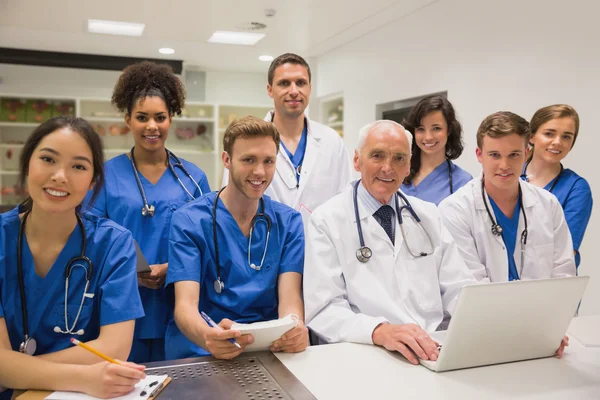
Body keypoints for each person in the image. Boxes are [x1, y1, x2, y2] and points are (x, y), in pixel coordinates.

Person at [304, 120, 479, 365]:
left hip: (429, 348)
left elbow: (459, 287)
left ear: (409, 166)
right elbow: (323, 309)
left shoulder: (428, 215)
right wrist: (379, 331)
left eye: (399, 158)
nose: (388, 168)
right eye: (377, 156)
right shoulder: (327, 220)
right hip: (364, 353)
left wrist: (485, 324)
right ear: (357, 160)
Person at [0, 117, 145, 399]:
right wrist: (84, 377)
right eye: (48, 159)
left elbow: (115, 349)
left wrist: (13, 371)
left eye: (78, 166)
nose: (60, 176)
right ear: (28, 163)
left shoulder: (114, 244)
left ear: (92, 182)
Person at [84, 61, 210, 363]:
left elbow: (209, 241)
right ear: (128, 119)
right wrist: (132, 270)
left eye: (160, 117)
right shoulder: (105, 176)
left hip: (176, 309)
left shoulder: (193, 179)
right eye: (142, 117)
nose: (151, 126)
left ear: (171, 119)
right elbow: (90, 237)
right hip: (121, 307)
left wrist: (175, 269)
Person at [165, 116, 308, 360]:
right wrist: (208, 336)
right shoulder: (189, 221)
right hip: (203, 350)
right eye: (248, 160)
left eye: (268, 161)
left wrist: (294, 327)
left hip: (267, 350)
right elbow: (185, 306)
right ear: (227, 160)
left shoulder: (289, 223)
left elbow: (290, 298)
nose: (260, 172)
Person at [439, 111, 576, 282]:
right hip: (484, 308)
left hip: (542, 307)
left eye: (514, 155)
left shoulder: (548, 204)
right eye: (495, 155)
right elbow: (471, 284)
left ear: (526, 154)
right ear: (479, 155)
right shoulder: (455, 209)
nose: (504, 165)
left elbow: (563, 273)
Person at [222, 53, 352, 226]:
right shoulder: (246, 140)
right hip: (261, 246)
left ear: (309, 88)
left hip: (320, 247)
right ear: (270, 89)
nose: (293, 91)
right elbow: (230, 201)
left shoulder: (331, 142)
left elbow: (345, 202)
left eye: (300, 83)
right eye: (284, 83)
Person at [521, 104, 592, 269]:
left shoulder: (576, 188)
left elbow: (565, 252)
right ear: (531, 136)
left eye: (566, 136)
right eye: (549, 134)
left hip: (553, 285)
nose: (557, 142)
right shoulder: (509, 177)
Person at [401, 95, 472, 205]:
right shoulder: (398, 173)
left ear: (449, 130)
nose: (428, 137)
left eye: (436, 128)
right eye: (421, 129)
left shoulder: (462, 182)